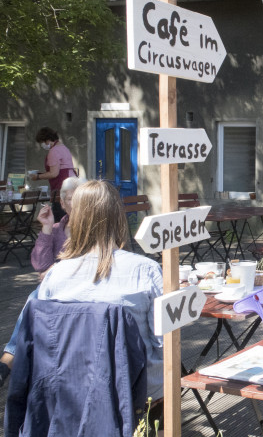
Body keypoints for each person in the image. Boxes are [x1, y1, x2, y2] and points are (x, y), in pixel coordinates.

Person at [36, 180, 163, 400]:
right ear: (118, 216)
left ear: (76, 219)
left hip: (70, 393)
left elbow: (42, 341)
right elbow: (163, 344)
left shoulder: (54, 275)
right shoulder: (147, 271)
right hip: (134, 392)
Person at [0, 176, 87, 387]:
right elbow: (40, 265)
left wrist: (56, 270)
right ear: (62, 203)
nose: (71, 203)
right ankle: (10, 364)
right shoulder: (57, 229)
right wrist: (47, 228)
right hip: (55, 291)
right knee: (37, 296)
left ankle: (7, 360)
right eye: (67, 198)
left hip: (83, 289)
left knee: (34, 297)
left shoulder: (93, 230)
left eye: (77, 198)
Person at [29, 127, 77, 222]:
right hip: (72, 185)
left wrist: (37, 177)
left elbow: (54, 173)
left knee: (60, 220)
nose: (42, 145)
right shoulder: (64, 148)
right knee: (70, 219)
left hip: (61, 188)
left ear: (47, 140)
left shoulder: (54, 151)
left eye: (42, 142)